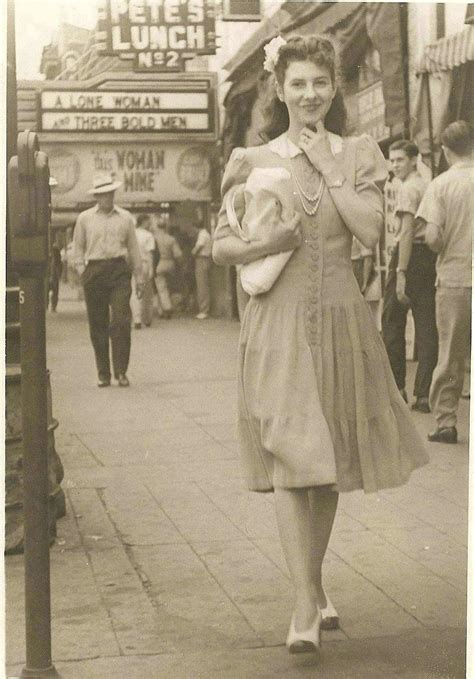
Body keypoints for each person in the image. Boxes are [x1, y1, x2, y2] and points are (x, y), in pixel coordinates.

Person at [213, 35, 428, 655]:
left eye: (321, 84)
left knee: (325, 465)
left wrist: (331, 168)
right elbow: (223, 245)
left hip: (340, 320)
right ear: (278, 89)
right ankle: (305, 603)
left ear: (334, 89)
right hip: (276, 323)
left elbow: (370, 231)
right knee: (290, 456)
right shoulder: (251, 158)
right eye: (298, 83)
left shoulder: (358, 152)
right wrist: (266, 244)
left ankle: (312, 581)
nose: (310, 94)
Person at [416, 120, 473, 444]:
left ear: (446, 151)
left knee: (450, 354)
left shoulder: (441, 184)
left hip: (454, 279)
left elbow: (433, 237)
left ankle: (446, 422)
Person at [381, 140, 438, 412]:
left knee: (392, 320)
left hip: (408, 256)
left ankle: (397, 388)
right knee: (427, 324)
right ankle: (424, 393)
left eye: (400, 160)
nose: (394, 166)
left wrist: (401, 272)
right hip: (428, 256)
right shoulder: (429, 185)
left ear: (414, 160)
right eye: (392, 161)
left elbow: (404, 234)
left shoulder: (407, 189)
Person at [73, 173, 144, 387]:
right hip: (94, 270)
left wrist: (139, 277)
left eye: (110, 194)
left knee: (122, 319)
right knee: (98, 323)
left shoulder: (125, 217)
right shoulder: (84, 218)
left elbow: (133, 249)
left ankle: (121, 371)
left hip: (119, 270)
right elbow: (78, 248)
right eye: (103, 195)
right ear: (96, 196)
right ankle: (103, 373)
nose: (107, 198)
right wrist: (81, 271)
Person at [153, 216, 183, 319]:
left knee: (161, 288)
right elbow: (178, 254)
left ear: (157, 227)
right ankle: (166, 307)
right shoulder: (171, 239)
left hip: (158, 264)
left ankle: (166, 308)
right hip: (170, 264)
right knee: (169, 286)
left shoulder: (154, 238)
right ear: (165, 227)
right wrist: (180, 264)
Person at [130, 214, 156, 329]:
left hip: (132, 264)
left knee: (134, 292)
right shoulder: (148, 235)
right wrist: (151, 268)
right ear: (144, 222)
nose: (150, 224)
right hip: (144, 264)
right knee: (147, 293)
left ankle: (136, 319)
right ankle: (147, 318)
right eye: (148, 222)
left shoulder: (131, 234)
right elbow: (150, 254)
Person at [191, 224, 212, 319]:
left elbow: (198, 247)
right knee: (202, 284)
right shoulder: (205, 234)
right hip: (204, 259)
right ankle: (204, 308)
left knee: (202, 285)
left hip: (202, 259)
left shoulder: (202, 234)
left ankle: (204, 310)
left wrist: (193, 252)